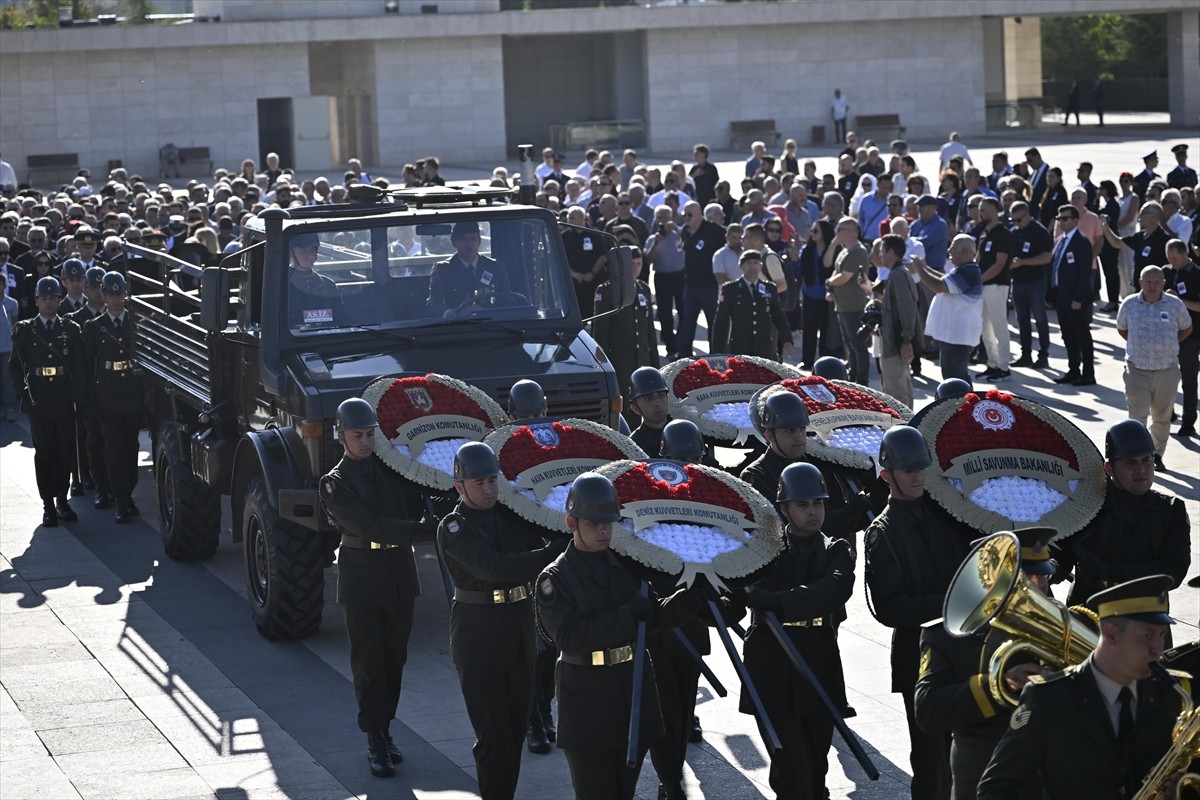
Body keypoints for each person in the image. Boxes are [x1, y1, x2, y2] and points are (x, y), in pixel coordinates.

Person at [535, 473, 701, 800]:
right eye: (594, 523)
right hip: (588, 700)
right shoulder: (555, 578)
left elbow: (650, 617)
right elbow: (570, 638)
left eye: (608, 523)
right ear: (572, 522)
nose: (603, 530)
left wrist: (690, 602)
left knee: (623, 793)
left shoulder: (626, 566)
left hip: (631, 691)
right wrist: (627, 616)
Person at [977, 575, 1182, 800]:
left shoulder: (1169, 694)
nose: (1158, 649)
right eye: (1147, 636)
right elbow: (995, 788)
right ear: (1111, 633)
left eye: (1162, 635)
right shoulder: (1049, 700)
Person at [319, 398, 422, 778]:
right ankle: (374, 737)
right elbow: (369, 524)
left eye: (369, 435)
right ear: (341, 435)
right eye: (357, 435)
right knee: (368, 662)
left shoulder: (392, 470)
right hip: (362, 575)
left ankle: (386, 728)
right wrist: (419, 531)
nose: (364, 442)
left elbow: (414, 501)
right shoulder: (334, 483)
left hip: (398, 571)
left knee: (395, 659)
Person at [865, 426, 970, 800]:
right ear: (886, 475)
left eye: (920, 469)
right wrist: (951, 601)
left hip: (966, 647)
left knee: (969, 756)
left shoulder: (948, 514)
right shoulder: (882, 532)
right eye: (908, 471)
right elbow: (889, 607)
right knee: (931, 763)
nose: (917, 476)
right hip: (921, 654)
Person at [914, 527, 1058, 800]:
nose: (1041, 588)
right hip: (982, 779)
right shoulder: (949, 635)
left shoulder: (1066, 627)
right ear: (994, 582)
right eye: (1028, 579)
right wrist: (998, 685)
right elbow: (928, 710)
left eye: (1044, 577)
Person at [741, 462, 854, 799]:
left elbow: (831, 592)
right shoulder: (764, 552)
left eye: (817, 503)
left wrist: (773, 601)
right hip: (771, 663)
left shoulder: (836, 549)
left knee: (816, 764)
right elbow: (737, 588)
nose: (812, 512)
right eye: (802, 505)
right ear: (784, 508)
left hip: (818, 659)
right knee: (791, 768)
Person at [1058, 419, 1191, 614]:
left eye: (1147, 460)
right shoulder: (1087, 507)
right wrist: (1046, 566)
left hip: (1147, 622)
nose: (1141, 470)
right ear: (1110, 468)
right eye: (1130, 463)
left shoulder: (1171, 510)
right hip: (1088, 619)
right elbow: (1062, 556)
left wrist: (1110, 573)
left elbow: (1173, 571)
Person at [647, 421, 715, 799]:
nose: (689, 465)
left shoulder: (710, 503)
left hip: (690, 621)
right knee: (663, 710)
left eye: (695, 458)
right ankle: (670, 779)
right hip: (659, 623)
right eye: (680, 459)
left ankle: (672, 773)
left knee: (684, 703)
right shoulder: (647, 501)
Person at [8, 276, 86, 527]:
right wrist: (23, 393)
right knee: (44, 452)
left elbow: (79, 367)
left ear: (59, 299)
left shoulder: (70, 329)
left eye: (53, 297)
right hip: (38, 399)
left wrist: (78, 397)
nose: (49, 302)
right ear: (37, 301)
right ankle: (48, 504)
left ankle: (62, 499)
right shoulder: (26, 330)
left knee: (64, 450)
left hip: (63, 397)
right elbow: (15, 367)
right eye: (44, 298)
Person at [80, 272, 143, 523]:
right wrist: (88, 399)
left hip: (132, 393)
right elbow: (87, 365)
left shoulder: (137, 323)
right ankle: (121, 499)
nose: (116, 299)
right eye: (111, 294)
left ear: (125, 294)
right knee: (114, 447)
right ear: (103, 295)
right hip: (107, 395)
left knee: (132, 446)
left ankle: (128, 491)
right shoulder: (94, 327)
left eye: (120, 293)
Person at [1115, 265, 1193, 467]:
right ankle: (1139, 455)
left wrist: (1168, 345)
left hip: (1167, 370)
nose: (1152, 286)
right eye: (1148, 282)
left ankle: (1156, 455)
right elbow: (1122, 329)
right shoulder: (1129, 304)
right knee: (1137, 417)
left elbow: (1186, 328)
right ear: (1140, 282)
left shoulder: (1175, 304)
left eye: (1156, 282)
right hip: (1137, 370)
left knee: (1162, 417)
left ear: (1163, 283)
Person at [592, 246, 659, 413]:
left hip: (641, 358)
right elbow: (600, 332)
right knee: (624, 407)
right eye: (632, 264)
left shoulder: (643, 288)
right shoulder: (607, 291)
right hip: (620, 359)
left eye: (639, 263)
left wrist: (655, 363)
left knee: (642, 403)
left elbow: (649, 330)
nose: (636, 268)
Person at [917, 235, 984, 382]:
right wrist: (925, 268)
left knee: (955, 378)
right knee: (954, 375)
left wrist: (918, 269)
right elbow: (944, 279)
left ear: (965, 252)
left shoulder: (969, 271)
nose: (949, 250)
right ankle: (962, 403)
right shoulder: (963, 269)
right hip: (953, 335)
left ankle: (963, 404)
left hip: (958, 336)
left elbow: (938, 286)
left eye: (953, 248)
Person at [710, 250, 794, 360]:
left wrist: (787, 340)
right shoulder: (730, 289)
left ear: (761, 266)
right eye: (749, 263)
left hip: (763, 347)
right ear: (741, 266)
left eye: (756, 262)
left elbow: (779, 317)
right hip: (739, 347)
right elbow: (721, 322)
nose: (752, 266)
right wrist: (717, 351)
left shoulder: (770, 288)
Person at [1049, 205, 1097, 386]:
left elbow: (1084, 273)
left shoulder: (1082, 241)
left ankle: (1088, 373)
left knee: (1082, 335)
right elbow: (1055, 269)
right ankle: (1073, 370)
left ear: (1075, 221)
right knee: (1068, 335)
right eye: (1059, 218)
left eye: (1065, 218)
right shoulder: (1060, 240)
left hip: (1076, 299)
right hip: (1062, 296)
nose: (1061, 222)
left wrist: (1078, 298)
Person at [427, 221, 511, 318]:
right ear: (454, 243)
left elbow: (507, 300)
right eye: (464, 239)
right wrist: (449, 312)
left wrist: (489, 312)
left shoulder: (495, 267)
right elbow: (433, 302)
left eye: (473, 239)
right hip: (457, 326)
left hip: (491, 325)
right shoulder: (443, 270)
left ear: (479, 241)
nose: (470, 244)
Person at [675, 201, 725, 359]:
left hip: (709, 285)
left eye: (690, 214)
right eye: (684, 214)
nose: (686, 218)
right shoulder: (685, 231)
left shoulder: (714, 230)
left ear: (699, 214)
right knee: (687, 320)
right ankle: (683, 355)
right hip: (690, 285)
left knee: (713, 322)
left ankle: (716, 355)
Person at [1007, 201, 1053, 370]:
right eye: (1013, 220)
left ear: (1027, 215)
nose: (1016, 224)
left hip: (1035, 282)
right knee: (1022, 320)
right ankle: (1026, 354)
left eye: (1018, 220)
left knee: (1040, 319)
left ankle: (1043, 354)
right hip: (1018, 282)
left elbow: (1047, 257)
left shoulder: (1039, 231)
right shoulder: (1014, 232)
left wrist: (1023, 262)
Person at [825, 217, 871, 384]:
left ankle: (861, 381)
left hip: (854, 305)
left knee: (858, 345)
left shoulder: (858, 251)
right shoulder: (844, 250)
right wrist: (829, 286)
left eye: (840, 230)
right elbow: (834, 271)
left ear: (852, 232)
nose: (837, 233)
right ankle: (853, 376)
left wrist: (829, 283)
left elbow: (845, 277)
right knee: (849, 345)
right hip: (843, 305)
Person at [877, 234, 921, 408]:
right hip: (896, 342)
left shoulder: (897, 275)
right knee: (902, 389)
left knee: (895, 396)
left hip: (895, 344)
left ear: (892, 252)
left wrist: (906, 340)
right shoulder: (900, 273)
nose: (880, 255)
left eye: (882, 251)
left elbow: (907, 309)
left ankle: (901, 431)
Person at [974, 197, 1013, 383]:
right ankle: (993, 364)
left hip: (997, 286)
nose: (980, 212)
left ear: (995, 211)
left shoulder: (1003, 234)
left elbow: (999, 265)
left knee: (999, 328)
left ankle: (1004, 368)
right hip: (983, 288)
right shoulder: (984, 233)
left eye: (984, 209)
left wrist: (978, 280)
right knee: (985, 330)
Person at [1165, 239, 1200, 437]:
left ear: (1185, 254)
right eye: (1169, 259)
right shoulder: (1167, 272)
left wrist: (1179, 300)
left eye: (1175, 258)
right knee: (1167, 377)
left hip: (1192, 334)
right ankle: (1168, 413)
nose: (1172, 262)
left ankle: (1188, 422)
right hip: (1169, 333)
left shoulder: (1196, 274)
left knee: (1188, 379)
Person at [645, 205, 685, 358]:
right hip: (662, 277)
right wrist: (656, 243)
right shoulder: (652, 238)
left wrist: (676, 228)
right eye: (660, 218)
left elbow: (689, 240)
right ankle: (670, 346)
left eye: (666, 217)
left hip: (680, 276)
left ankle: (681, 342)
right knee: (665, 313)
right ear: (655, 220)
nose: (663, 221)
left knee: (684, 311)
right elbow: (647, 260)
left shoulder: (678, 234)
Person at [627, 366, 671, 456]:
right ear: (635, 408)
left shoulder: (684, 430)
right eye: (648, 399)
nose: (658, 403)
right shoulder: (633, 446)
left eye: (661, 395)